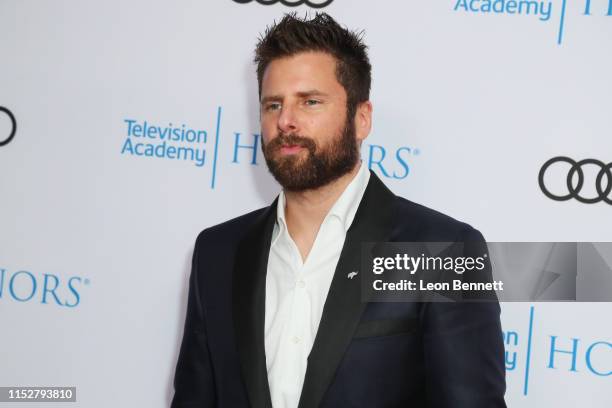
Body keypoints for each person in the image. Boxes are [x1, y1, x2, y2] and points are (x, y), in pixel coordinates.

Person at [171, 13, 506, 408]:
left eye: (310, 102)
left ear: (361, 118)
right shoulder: (218, 252)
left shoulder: (443, 250)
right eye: (273, 105)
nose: (286, 122)